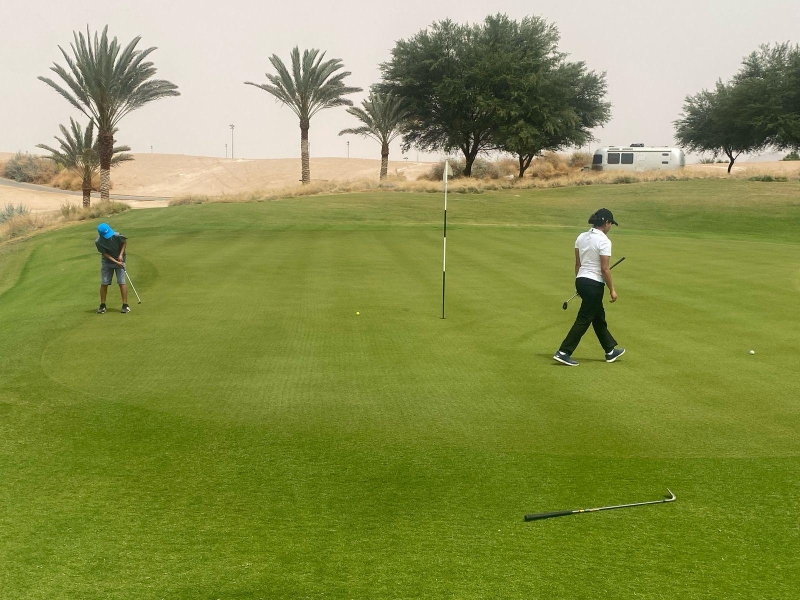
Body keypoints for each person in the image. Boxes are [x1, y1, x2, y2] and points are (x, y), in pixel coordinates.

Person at [554, 208, 625, 366]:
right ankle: (564, 352)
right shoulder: (604, 241)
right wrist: (612, 290)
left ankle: (610, 351)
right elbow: (605, 269)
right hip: (593, 284)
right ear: (606, 222)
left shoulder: (581, 237)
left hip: (581, 280)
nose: (610, 227)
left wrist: (580, 285)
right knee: (584, 318)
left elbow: (578, 264)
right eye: (610, 224)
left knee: (598, 317)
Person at [94, 222, 130, 314]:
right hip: (107, 262)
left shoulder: (117, 235)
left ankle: (125, 305)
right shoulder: (98, 242)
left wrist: (121, 255)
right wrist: (116, 262)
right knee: (104, 282)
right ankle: (102, 305)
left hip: (120, 260)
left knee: (121, 282)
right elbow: (105, 254)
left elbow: (124, 242)